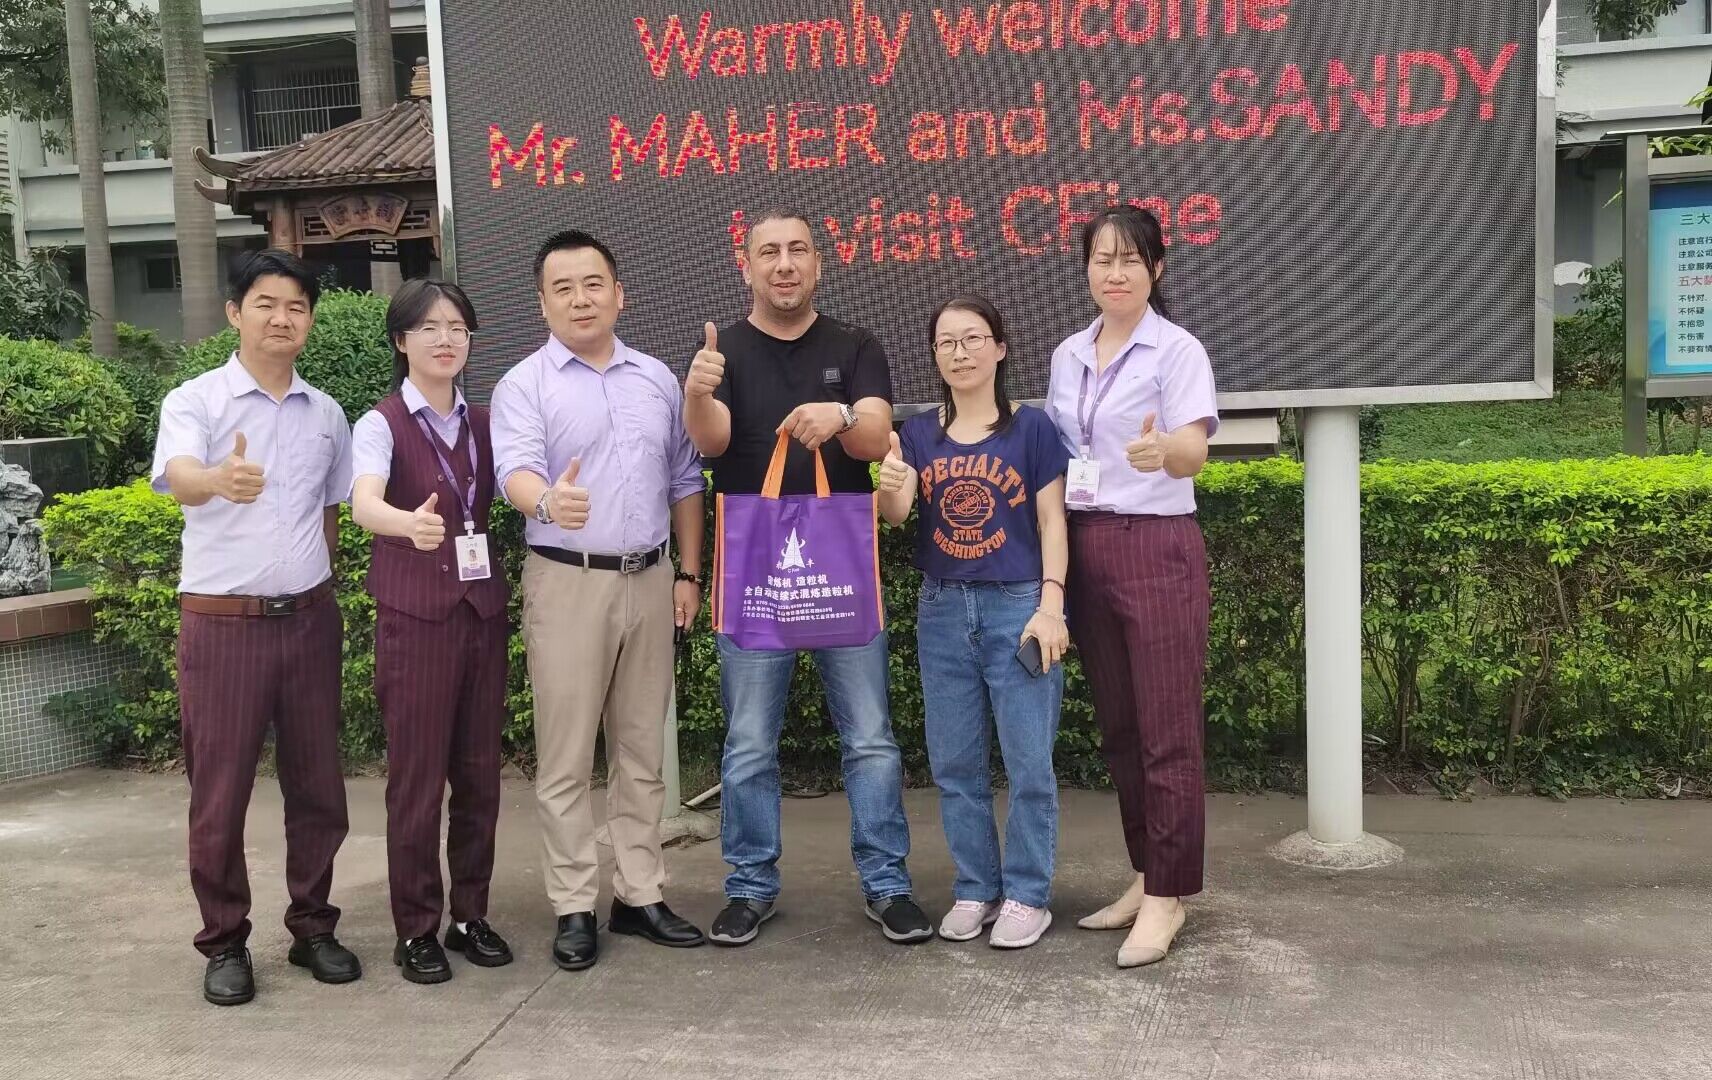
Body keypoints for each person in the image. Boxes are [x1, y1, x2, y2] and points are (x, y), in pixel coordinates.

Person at [684, 208, 932, 946]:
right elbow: (713, 443)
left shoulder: (855, 346)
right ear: (746, 265)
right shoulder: (722, 351)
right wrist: (697, 393)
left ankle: (887, 884)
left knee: (872, 740)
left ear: (819, 264)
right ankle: (749, 886)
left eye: (798, 250)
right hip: (754, 574)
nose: (784, 264)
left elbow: (877, 436)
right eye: (769, 252)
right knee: (749, 744)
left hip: (840, 573)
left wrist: (842, 414)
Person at [491, 230, 708, 971]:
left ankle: (640, 895)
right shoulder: (525, 384)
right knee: (566, 754)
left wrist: (688, 574)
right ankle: (574, 905)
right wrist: (548, 500)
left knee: (642, 749)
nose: (580, 299)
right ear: (542, 303)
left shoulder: (657, 379)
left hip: (651, 578)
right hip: (567, 580)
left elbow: (685, 480)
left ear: (620, 294)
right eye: (563, 288)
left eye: (593, 285)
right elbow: (515, 471)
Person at [152, 249, 359, 1006]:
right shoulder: (197, 401)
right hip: (223, 625)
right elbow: (179, 477)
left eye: (296, 306)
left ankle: (313, 927)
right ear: (235, 313)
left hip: (308, 621)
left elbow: (330, 512)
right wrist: (217, 479)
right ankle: (224, 942)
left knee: (318, 785)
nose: (282, 318)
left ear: (310, 320)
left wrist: (320, 589)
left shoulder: (326, 413)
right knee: (220, 790)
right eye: (266, 304)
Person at [1044, 206, 1218, 969]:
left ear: (1157, 268)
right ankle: (1147, 874)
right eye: (1102, 259)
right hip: (1086, 544)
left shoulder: (1176, 350)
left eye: (1130, 260)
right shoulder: (1068, 355)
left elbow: (1194, 450)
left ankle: (1170, 895)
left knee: (1166, 730)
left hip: (1156, 545)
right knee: (1119, 730)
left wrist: (1165, 449)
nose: (1114, 273)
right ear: (1086, 268)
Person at [877, 295, 1070, 950]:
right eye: (946, 342)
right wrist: (890, 481)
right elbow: (898, 514)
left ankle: (1027, 894)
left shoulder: (1032, 430)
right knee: (956, 762)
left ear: (1000, 348)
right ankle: (976, 887)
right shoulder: (917, 434)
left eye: (972, 339)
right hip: (943, 608)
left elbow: (1052, 521)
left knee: (1028, 762)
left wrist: (1052, 603)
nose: (959, 353)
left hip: (1018, 605)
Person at [347, 279, 513, 984]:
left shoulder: (487, 421)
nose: (445, 340)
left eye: (457, 328)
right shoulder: (380, 423)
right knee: (416, 780)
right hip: (415, 620)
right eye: (428, 328)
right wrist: (404, 523)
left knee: (480, 776)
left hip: (481, 614)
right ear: (400, 340)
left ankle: (469, 914)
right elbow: (363, 502)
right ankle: (415, 927)